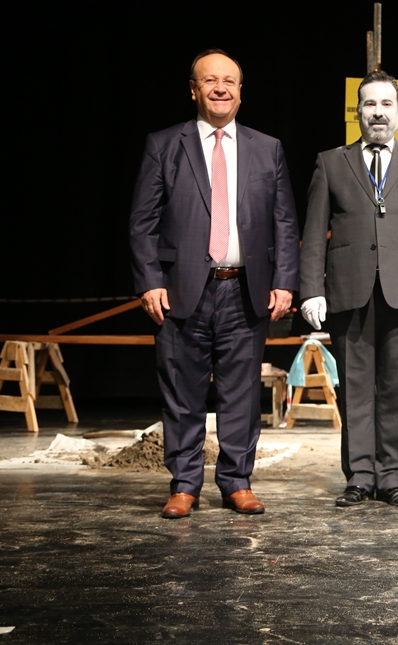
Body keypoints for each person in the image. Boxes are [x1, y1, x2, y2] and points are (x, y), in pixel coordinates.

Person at [129, 49, 301, 518]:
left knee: (241, 394)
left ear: (241, 91)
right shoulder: (165, 144)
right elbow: (142, 223)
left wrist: (285, 281)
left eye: (229, 81)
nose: (220, 88)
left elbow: (285, 222)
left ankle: (236, 481)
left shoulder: (267, 148)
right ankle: (184, 485)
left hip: (245, 290)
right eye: (210, 81)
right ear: (194, 90)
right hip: (180, 291)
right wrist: (149, 281)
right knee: (182, 394)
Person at [299, 70, 398, 508]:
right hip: (349, 290)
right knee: (355, 386)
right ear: (358, 111)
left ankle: (393, 476)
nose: (378, 112)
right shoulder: (331, 162)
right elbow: (314, 232)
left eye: (387, 104)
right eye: (370, 104)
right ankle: (360, 475)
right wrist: (311, 289)